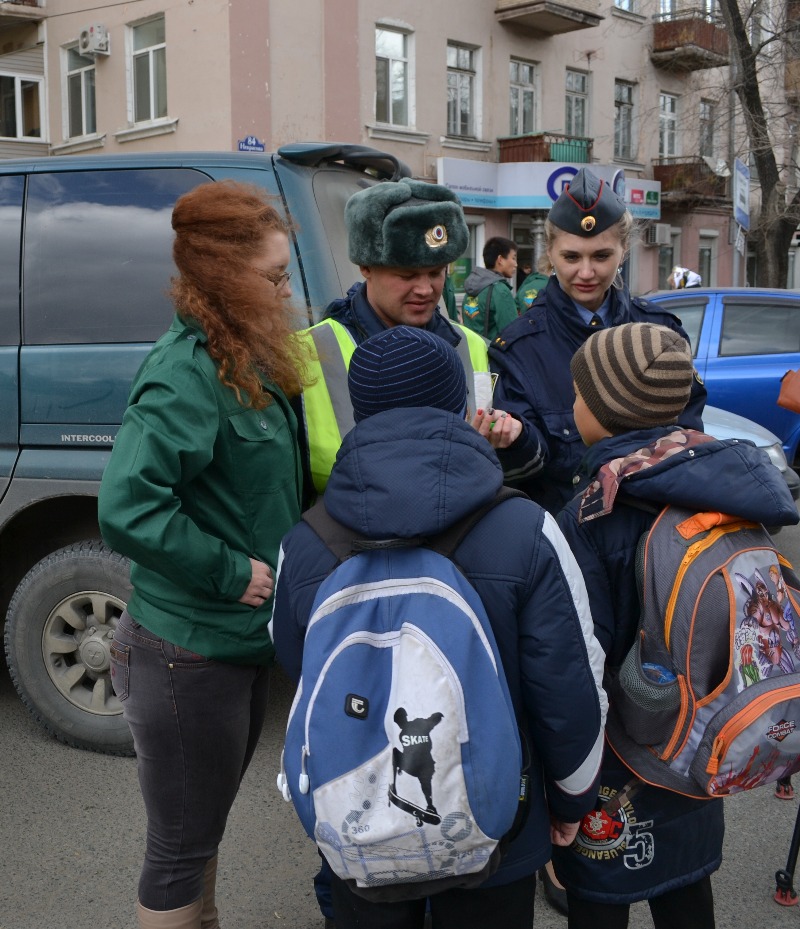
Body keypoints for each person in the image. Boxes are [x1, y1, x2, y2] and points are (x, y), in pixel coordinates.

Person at [272, 325, 608, 929]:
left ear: (359, 410)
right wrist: (573, 799)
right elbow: (568, 684)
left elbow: (300, 673)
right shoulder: (525, 530)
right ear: (459, 405)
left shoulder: (306, 544)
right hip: (499, 819)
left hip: (361, 823)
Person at [98, 180, 308, 929]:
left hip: (235, 646)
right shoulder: (186, 371)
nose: (288, 292)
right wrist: (228, 569)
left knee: (201, 830)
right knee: (180, 846)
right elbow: (127, 505)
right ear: (223, 277)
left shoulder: (244, 352)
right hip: (188, 653)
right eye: (276, 277)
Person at [554, 321, 799, 929]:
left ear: (610, 410)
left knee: (601, 896)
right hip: (704, 733)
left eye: (581, 394)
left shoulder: (596, 510)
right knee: (687, 885)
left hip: (621, 752)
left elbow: (579, 660)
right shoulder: (717, 481)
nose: (573, 405)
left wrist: (562, 775)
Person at [489, 166, 707, 516]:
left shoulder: (661, 331)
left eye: (601, 256)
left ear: (623, 250)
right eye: (572, 257)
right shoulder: (518, 349)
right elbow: (522, 475)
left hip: (650, 539)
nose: (586, 273)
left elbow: (689, 434)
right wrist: (515, 441)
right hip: (567, 540)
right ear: (551, 254)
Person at [297, 178, 520, 498]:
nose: (425, 289)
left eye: (436, 272)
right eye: (407, 275)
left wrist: (514, 442)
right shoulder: (309, 352)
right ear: (365, 267)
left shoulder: (472, 346)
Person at [461, 236, 520, 340]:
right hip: (490, 353)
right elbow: (512, 332)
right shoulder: (500, 291)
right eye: (513, 258)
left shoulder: (472, 287)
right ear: (500, 260)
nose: (516, 264)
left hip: (470, 352)